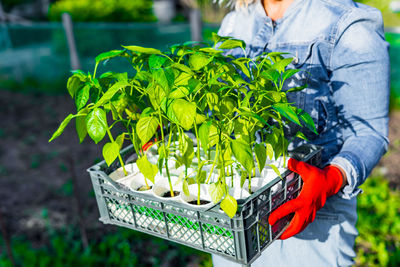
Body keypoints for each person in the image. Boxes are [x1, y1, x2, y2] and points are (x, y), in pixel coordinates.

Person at [212, 0, 390, 266]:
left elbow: (368, 131)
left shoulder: (347, 21)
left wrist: (331, 177)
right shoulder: (236, 22)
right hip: (237, 213)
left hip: (313, 221)